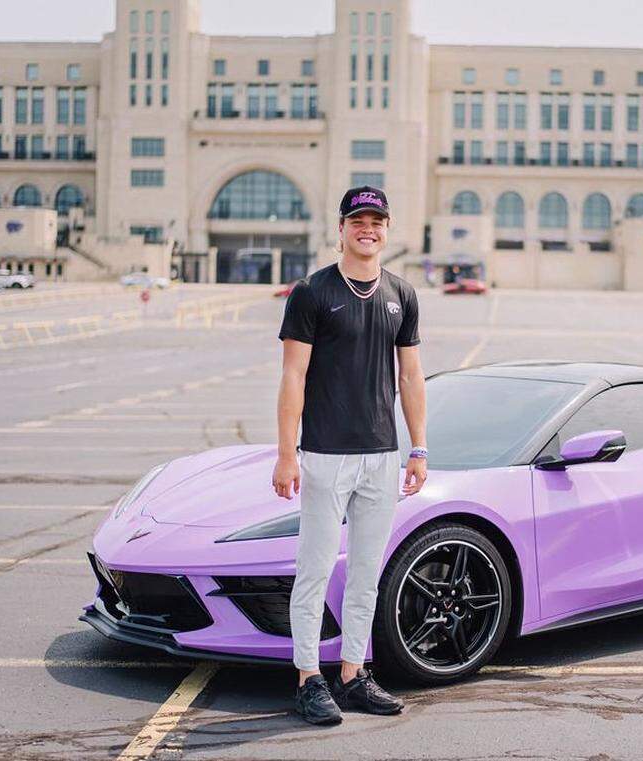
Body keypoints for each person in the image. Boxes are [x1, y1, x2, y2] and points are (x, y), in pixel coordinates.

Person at [273, 185, 428, 726]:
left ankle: (352, 673)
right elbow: (293, 376)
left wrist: (418, 448)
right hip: (324, 455)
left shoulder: (402, 295)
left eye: (377, 221)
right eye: (358, 219)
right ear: (340, 228)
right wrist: (286, 454)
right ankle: (308, 678)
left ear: (388, 230)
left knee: (366, 572)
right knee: (314, 569)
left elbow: (410, 375)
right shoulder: (312, 293)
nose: (368, 228)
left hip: (382, 457)